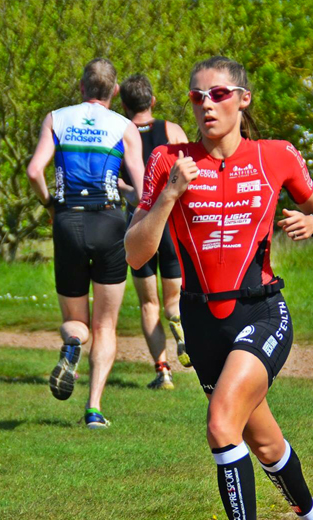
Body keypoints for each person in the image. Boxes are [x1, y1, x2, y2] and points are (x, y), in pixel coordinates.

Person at [125, 56, 313, 520]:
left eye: (217, 94)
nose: (205, 105)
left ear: (242, 99)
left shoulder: (276, 155)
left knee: (222, 424)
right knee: (266, 444)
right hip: (202, 324)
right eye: (196, 97)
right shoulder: (167, 161)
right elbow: (136, 252)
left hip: (263, 312)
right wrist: (171, 194)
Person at [27, 58, 145, 429]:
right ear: (113, 92)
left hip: (69, 220)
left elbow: (34, 171)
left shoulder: (57, 118)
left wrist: (49, 202)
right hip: (109, 222)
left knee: (75, 322)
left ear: (81, 88)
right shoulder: (125, 127)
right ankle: (93, 409)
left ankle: (72, 344)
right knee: (106, 326)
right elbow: (142, 191)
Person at [118, 74, 191, 390]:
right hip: (172, 222)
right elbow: (192, 173)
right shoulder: (172, 131)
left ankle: (163, 372)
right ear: (153, 101)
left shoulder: (118, 134)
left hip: (140, 225)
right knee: (173, 301)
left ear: (123, 104)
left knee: (149, 304)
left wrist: (129, 190)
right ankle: (181, 327)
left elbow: (115, 183)